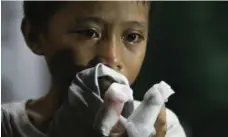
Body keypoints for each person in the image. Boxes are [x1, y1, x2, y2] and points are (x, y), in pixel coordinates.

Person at [1, 1, 186, 137]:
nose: (112, 57)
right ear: (35, 36)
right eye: (89, 33)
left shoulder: (162, 128)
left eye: (132, 37)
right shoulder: (7, 126)